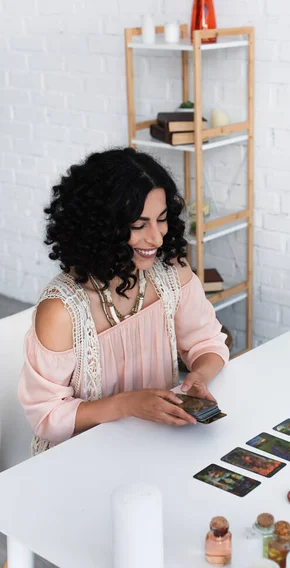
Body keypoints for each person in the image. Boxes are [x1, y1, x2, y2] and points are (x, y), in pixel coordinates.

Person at [18, 148, 229, 455]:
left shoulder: (170, 274)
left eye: (162, 219)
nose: (156, 238)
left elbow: (208, 341)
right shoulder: (62, 312)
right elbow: (46, 415)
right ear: (102, 227)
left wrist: (198, 375)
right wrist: (130, 404)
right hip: (79, 460)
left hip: (157, 442)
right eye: (139, 225)